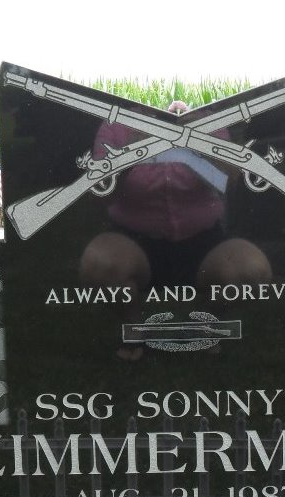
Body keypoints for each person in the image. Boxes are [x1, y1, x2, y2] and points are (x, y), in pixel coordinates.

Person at [79, 100, 272, 359]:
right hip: (133, 243)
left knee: (252, 269)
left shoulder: (209, 123)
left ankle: (206, 327)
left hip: (204, 242)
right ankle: (133, 330)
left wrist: (198, 141)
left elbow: (230, 183)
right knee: (99, 263)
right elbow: (101, 193)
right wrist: (135, 145)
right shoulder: (116, 124)